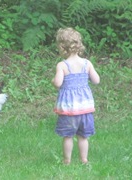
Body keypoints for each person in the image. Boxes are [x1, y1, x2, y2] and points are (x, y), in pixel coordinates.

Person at [52, 27, 100, 165]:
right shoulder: (87, 63)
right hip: (85, 108)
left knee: (68, 136)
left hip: (69, 109)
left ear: (61, 47)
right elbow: (96, 81)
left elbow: (58, 83)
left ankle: (67, 160)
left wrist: (53, 80)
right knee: (83, 137)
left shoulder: (62, 65)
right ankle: (84, 159)